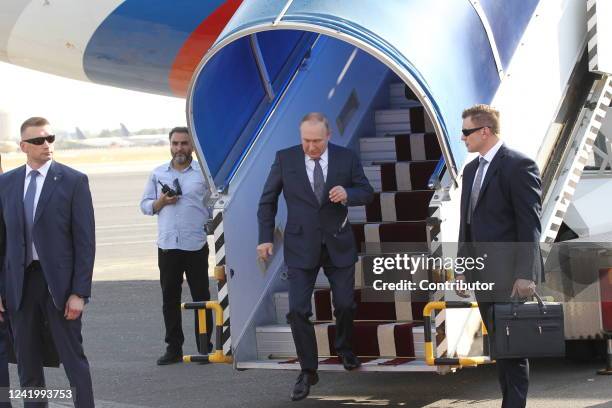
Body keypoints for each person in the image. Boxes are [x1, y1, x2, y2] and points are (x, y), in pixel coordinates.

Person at [257, 113, 374, 401]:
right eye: (306, 141)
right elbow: (267, 201)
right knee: (298, 310)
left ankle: (345, 349)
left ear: (328, 136)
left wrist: (348, 193)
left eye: (317, 141)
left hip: (338, 243)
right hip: (300, 245)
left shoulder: (346, 158)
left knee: (345, 304)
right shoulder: (285, 159)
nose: (311, 147)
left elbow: (367, 192)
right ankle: (308, 370)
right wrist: (264, 238)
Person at [0, 117, 95, 407]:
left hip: (61, 287)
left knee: (72, 361)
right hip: (20, 284)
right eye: (39, 140)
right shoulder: (6, 183)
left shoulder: (73, 181)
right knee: (28, 364)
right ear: (23, 146)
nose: (47, 145)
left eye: (50, 138)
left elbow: (85, 242)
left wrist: (79, 292)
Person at [456, 105, 543, 408]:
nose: (461, 137)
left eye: (466, 131)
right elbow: (466, 221)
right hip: (481, 273)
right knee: (500, 347)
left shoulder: (519, 165)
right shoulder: (470, 170)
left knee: (514, 349)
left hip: (510, 277)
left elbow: (529, 223)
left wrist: (526, 274)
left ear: (485, 131)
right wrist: (463, 267)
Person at [140, 126, 213, 365]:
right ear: (169, 145)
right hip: (168, 247)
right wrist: (161, 201)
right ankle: (173, 348)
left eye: (184, 143)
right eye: (175, 143)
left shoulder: (203, 174)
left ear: (192, 146)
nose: (179, 148)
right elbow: (145, 206)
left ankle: (205, 346)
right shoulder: (158, 173)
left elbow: (214, 204)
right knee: (169, 298)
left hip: (195, 245)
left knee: (201, 297)